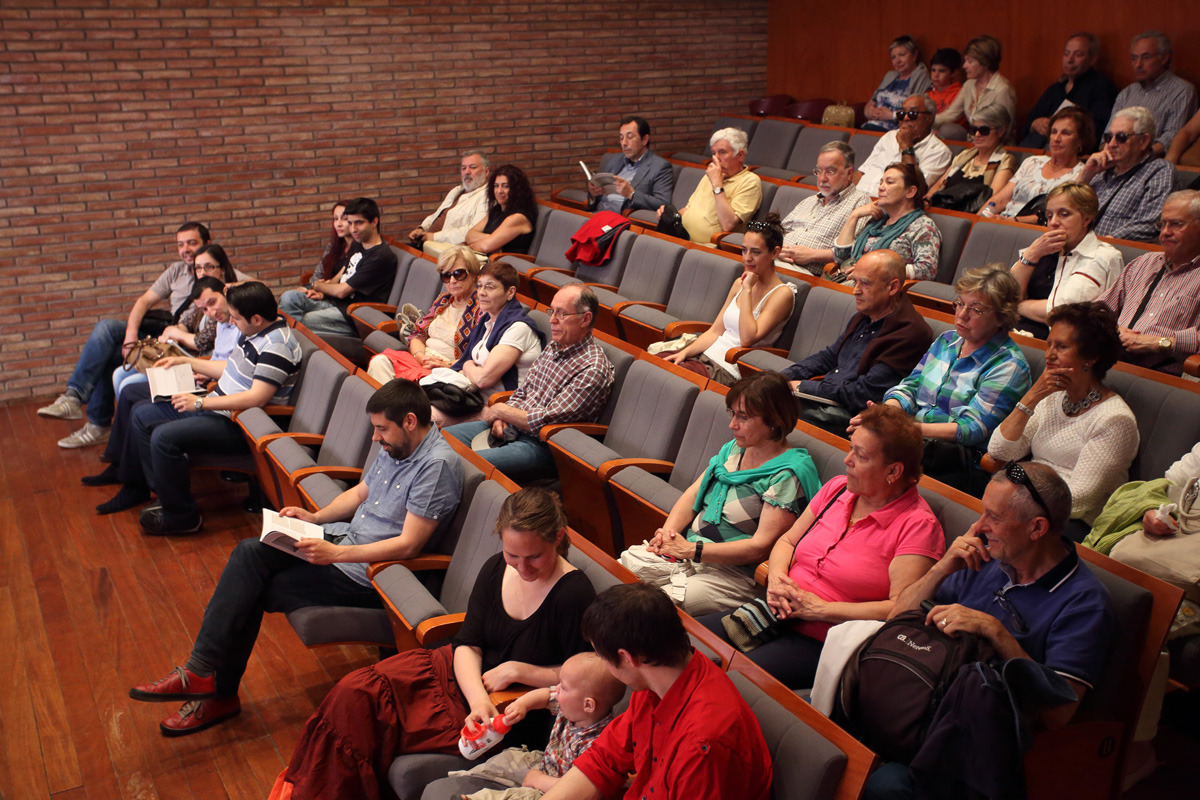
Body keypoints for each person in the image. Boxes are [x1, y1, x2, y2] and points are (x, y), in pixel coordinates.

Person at [125, 379, 463, 736]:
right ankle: (206, 677)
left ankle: (211, 685)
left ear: (410, 421)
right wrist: (315, 519)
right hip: (344, 544)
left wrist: (337, 553)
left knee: (251, 583)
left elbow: (409, 545)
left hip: (371, 575)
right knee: (250, 556)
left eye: (381, 429)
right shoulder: (397, 445)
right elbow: (362, 492)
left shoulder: (436, 466)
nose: (376, 438)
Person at [279, 488, 596, 799]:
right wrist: (476, 700)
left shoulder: (573, 593)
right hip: (466, 681)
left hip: (510, 707)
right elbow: (468, 643)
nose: (522, 568)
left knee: (364, 723)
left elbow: (582, 677)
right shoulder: (495, 568)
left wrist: (521, 671)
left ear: (558, 537)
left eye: (534, 557)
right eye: (512, 555)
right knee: (354, 691)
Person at [872, 463, 1115, 799]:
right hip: (917, 703)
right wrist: (942, 569)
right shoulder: (984, 558)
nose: (980, 526)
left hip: (967, 746)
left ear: (1037, 528)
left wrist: (996, 632)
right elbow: (897, 619)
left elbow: (1060, 713)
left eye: (994, 517)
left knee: (880, 787)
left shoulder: (1084, 601)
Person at [699, 404, 945, 689]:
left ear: (893, 470)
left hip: (825, 639)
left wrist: (822, 610)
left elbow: (898, 610)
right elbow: (788, 541)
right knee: (681, 644)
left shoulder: (917, 526)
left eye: (860, 455)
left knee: (727, 683)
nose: (847, 460)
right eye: (850, 448)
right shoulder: (838, 488)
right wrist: (778, 577)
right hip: (773, 610)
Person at [98, 282, 304, 535]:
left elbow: (256, 398)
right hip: (218, 406)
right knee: (141, 412)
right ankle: (163, 494)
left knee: (163, 437)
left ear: (257, 318)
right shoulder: (255, 332)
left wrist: (200, 403)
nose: (233, 323)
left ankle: (182, 516)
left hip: (240, 424)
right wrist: (186, 361)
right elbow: (229, 369)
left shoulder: (277, 345)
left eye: (237, 318)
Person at [538, 582, 773, 800]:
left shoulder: (704, 743)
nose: (606, 667)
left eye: (603, 658)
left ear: (626, 658)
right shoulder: (654, 682)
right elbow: (604, 760)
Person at [618, 372, 819, 616]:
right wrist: (667, 535)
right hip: (689, 555)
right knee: (617, 576)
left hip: (732, 576)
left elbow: (759, 548)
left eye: (743, 417)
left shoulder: (787, 474)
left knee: (648, 611)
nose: (732, 425)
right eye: (732, 414)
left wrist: (692, 550)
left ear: (774, 420)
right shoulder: (736, 448)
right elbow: (693, 495)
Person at [37, 221, 211, 448]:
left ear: (208, 243)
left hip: (184, 347)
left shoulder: (221, 275)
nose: (185, 249)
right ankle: (73, 397)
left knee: (109, 359)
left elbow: (249, 288)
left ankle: (99, 425)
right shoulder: (177, 271)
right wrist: (130, 337)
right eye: (180, 244)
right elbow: (143, 301)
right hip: (164, 337)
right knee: (107, 329)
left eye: (192, 243)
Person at [875, 265, 1031, 494]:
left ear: (1001, 317)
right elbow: (911, 385)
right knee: (865, 438)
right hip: (915, 442)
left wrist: (911, 430)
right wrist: (889, 412)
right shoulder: (946, 341)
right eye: (960, 304)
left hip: (956, 461)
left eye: (976, 310)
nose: (962, 314)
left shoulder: (1009, 365)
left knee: (872, 461)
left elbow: (972, 429)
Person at [988, 303, 1138, 533]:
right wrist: (1031, 397)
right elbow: (999, 451)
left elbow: (1078, 501)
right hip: (1026, 504)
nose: (1049, 355)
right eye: (1049, 345)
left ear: (1091, 357)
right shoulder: (1051, 396)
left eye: (1061, 346)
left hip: (1072, 525)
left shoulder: (1115, 420)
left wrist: (1016, 487)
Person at [443, 285, 614, 483]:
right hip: (513, 428)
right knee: (443, 438)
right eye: (552, 311)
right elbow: (524, 391)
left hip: (543, 446)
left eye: (562, 313)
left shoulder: (592, 368)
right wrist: (501, 418)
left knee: (467, 463)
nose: (552, 320)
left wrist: (501, 412)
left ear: (585, 319)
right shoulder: (555, 346)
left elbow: (548, 419)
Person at [424, 652, 626, 800]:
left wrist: (538, 781)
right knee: (507, 757)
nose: (558, 690)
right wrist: (523, 704)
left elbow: (580, 788)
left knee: (522, 796)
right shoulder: (572, 704)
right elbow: (546, 695)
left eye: (564, 687)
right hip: (544, 762)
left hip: (556, 789)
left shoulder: (598, 743)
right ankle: (470, 775)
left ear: (588, 704)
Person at [783, 249, 933, 432]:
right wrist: (784, 377)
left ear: (892, 288)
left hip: (856, 416)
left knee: (778, 409)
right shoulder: (866, 315)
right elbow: (830, 356)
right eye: (855, 281)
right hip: (829, 398)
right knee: (768, 393)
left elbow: (863, 394)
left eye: (865, 283)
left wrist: (803, 387)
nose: (855, 291)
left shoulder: (911, 333)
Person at [660, 217, 798, 385]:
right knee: (658, 362)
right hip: (705, 357)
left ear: (775, 253)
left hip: (730, 369)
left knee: (673, 378)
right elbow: (715, 332)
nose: (747, 258)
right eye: (744, 250)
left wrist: (747, 290)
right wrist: (685, 352)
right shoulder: (738, 283)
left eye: (755, 252)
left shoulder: (782, 294)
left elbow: (748, 338)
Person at [110, 242, 249, 404]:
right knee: (119, 373)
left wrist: (176, 333)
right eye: (198, 268)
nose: (202, 273)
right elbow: (188, 319)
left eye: (208, 267)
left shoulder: (228, 307)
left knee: (129, 387)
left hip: (200, 362)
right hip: (198, 362)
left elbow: (201, 342)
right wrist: (175, 331)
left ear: (222, 269)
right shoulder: (203, 297)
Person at [420, 262, 545, 427]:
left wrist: (467, 365)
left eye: (490, 287)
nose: (481, 293)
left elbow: (483, 379)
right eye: (479, 286)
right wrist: (468, 366)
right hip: (470, 397)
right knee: (408, 402)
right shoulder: (487, 320)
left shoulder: (518, 328)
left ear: (510, 292)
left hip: (494, 407)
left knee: (420, 417)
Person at [1097, 190, 1200, 375]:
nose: (1166, 232)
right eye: (1162, 224)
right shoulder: (1144, 263)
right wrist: (1114, 330)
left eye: (1176, 224)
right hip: (1112, 362)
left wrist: (1158, 343)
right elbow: (1099, 309)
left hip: (1162, 377)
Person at [1009, 182, 1123, 339]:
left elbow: (1062, 312)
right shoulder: (1042, 248)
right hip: (1015, 329)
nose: (1054, 222)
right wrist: (1031, 255)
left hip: (1057, 341)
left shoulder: (1102, 257)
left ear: (1086, 219)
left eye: (1064, 214)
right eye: (1049, 216)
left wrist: (1017, 306)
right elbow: (1007, 294)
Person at [278, 196, 399, 337]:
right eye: (350, 223)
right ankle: (291, 341)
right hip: (337, 304)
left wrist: (318, 286)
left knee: (305, 320)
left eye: (358, 223)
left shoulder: (381, 256)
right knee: (289, 297)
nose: (353, 229)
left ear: (374, 222)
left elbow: (342, 291)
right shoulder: (359, 243)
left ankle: (293, 345)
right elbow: (342, 273)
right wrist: (322, 293)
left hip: (354, 316)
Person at [366, 245, 482, 385]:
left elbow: (479, 356)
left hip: (451, 369)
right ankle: (388, 406)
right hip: (424, 360)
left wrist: (447, 364)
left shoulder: (482, 308)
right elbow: (417, 335)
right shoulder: (443, 300)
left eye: (459, 274)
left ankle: (396, 405)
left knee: (419, 384)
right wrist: (420, 356)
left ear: (474, 274)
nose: (452, 281)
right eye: (446, 275)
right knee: (380, 362)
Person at [834, 162, 942, 282]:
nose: (880, 187)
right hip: (851, 281)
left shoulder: (922, 226)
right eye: (881, 182)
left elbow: (927, 270)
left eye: (889, 182)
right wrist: (854, 216)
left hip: (879, 289)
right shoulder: (877, 221)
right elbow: (840, 258)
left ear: (910, 191)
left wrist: (870, 271)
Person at [1083, 106, 1175, 242]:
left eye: (1121, 137)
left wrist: (1099, 245)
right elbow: (1062, 209)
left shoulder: (1160, 171)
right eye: (1108, 137)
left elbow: (1149, 224)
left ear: (1144, 141)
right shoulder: (1100, 168)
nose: (1111, 144)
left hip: (1116, 253)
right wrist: (1086, 174)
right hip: (1078, 248)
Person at [984, 107, 1093, 222]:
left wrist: (1013, 221)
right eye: (1054, 132)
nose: (1056, 138)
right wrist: (980, 218)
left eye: (1065, 133)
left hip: (1034, 230)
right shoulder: (1032, 162)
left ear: (1081, 140)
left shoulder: (1081, 175)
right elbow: (1000, 200)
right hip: (1001, 221)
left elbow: (1054, 216)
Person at [777, 141, 872, 273]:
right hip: (776, 261)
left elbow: (855, 250)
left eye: (830, 171)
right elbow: (778, 231)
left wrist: (812, 255)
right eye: (819, 171)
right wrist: (777, 248)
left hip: (806, 272)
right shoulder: (809, 201)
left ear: (849, 173)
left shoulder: (860, 203)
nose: (822, 179)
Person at [1106, 30, 1197, 158]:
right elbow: (1108, 135)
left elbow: (1171, 138)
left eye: (1146, 57)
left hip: (1150, 162)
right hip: (1117, 160)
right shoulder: (1127, 93)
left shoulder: (1181, 91)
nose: (1138, 64)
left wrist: (1136, 156)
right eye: (1134, 58)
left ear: (1164, 58)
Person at [664, 127, 762, 244]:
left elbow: (728, 224)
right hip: (682, 238)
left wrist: (717, 184)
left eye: (722, 152)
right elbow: (689, 208)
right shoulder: (710, 175)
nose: (716, 159)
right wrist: (669, 216)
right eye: (714, 153)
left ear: (740, 155)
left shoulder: (750, 181)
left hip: (710, 247)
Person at [1019, 32, 1117, 150]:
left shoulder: (1101, 87)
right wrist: (1034, 124)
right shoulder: (1055, 89)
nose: (1070, 59)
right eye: (1066, 54)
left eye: (1078, 54)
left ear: (1092, 59)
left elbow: (1097, 131)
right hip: (1033, 150)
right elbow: (1026, 125)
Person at [855, 94, 952, 197]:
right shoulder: (889, 136)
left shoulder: (939, 151)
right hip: (858, 197)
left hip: (884, 207)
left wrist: (907, 147)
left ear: (929, 118)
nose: (905, 118)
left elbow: (915, 189)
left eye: (912, 113)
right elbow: (861, 173)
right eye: (901, 114)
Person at [925, 105, 1016, 212]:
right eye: (974, 130)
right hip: (941, 210)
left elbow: (992, 200)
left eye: (984, 130)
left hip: (967, 217)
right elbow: (938, 185)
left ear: (1001, 131)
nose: (977, 135)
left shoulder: (1005, 161)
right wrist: (926, 202)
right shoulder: (964, 155)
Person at [933, 35, 1017, 142]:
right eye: (965, 61)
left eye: (970, 61)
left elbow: (1003, 131)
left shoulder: (1002, 89)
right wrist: (924, 119)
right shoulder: (969, 85)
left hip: (995, 146)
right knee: (949, 130)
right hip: (974, 140)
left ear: (985, 62)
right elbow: (951, 114)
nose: (964, 66)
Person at [409, 150, 492, 256]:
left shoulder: (487, 196)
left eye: (472, 167)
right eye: (463, 168)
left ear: (486, 171)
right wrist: (421, 229)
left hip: (447, 250)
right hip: (427, 243)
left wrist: (433, 236)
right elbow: (437, 215)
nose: (467, 172)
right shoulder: (457, 190)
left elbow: (471, 232)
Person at [585, 116, 674, 215]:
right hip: (595, 214)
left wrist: (632, 194)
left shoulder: (660, 166)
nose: (624, 143)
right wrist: (593, 194)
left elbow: (663, 203)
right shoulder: (614, 159)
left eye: (630, 137)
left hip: (619, 220)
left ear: (644, 139)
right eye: (621, 138)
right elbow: (596, 201)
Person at [861, 36, 933, 133]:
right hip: (870, 126)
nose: (897, 61)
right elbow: (873, 100)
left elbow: (919, 113)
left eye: (902, 55)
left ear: (914, 55)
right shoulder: (890, 76)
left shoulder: (922, 78)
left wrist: (892, 115)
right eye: (893, 57)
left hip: (894, 131)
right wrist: (868, 110)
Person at [465, 164, 538, 257]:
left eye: (505, 186)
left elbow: (485, 247)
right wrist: (491, 239)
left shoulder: (518, 217)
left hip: (507, 266)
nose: (499, 191)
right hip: (489, 259)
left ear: (516, 189)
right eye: (496, 186)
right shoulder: (496, 210)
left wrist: (478, 244)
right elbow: (469, 235)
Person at [313, 200, 353, 282]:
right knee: (291, 294)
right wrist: (309, 288)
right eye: (336, 219)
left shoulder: (363, 248)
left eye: (344, 219)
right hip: (320, 290)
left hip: (338, 292)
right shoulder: (334, 245)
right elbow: (318, 274)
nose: (338, 224)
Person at [927, 48, 963, 117]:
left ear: (954, 73)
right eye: (933, 70)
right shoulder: (928, 95)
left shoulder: (959, 93)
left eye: (942, 71)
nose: (935, 75)